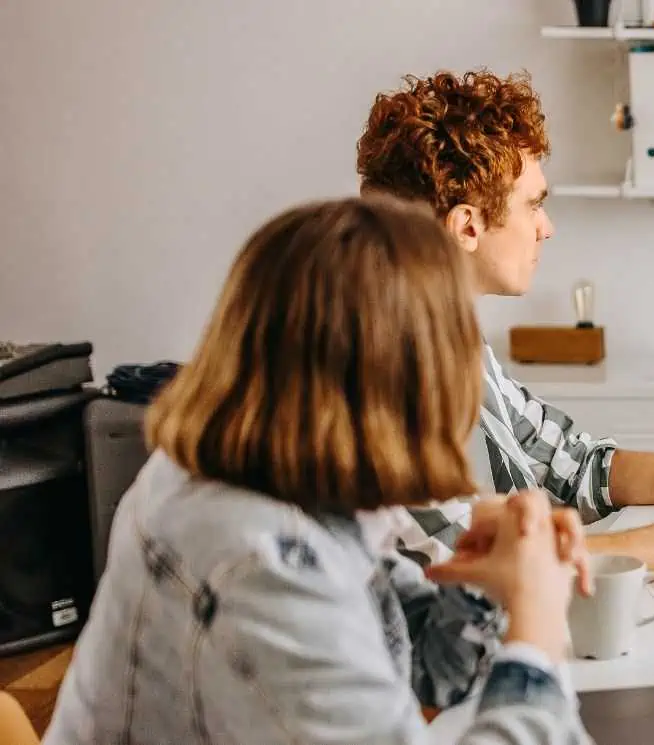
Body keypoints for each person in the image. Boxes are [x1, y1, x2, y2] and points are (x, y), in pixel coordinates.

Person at [45, 197, 593, 744]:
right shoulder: (261, 558)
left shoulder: (267, 480)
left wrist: (484, 579)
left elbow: (426, 661)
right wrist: (537, 629)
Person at [355, 69, 654, 571]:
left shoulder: (449, 335)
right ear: (468, 226)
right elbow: (471, 570)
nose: (547, 228)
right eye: (533, 205)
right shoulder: (375, 372)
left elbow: (574, 466)